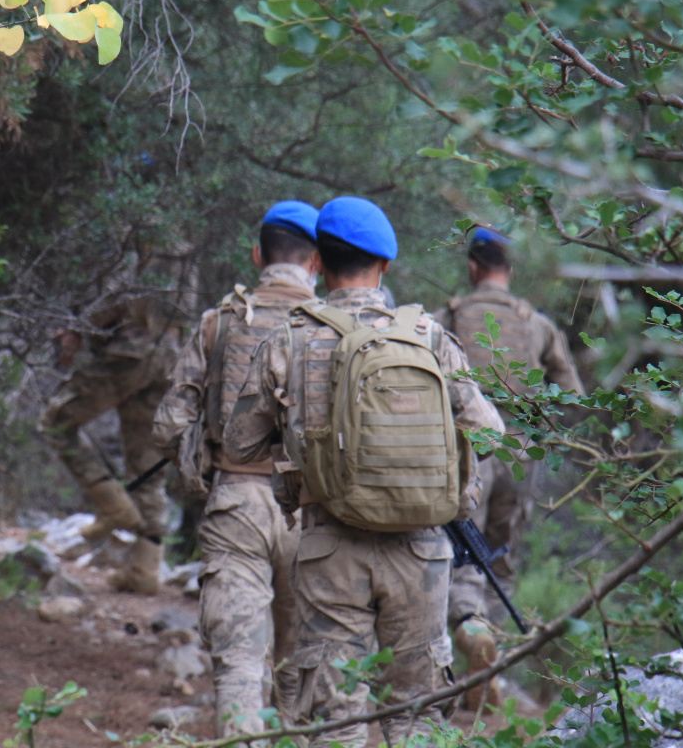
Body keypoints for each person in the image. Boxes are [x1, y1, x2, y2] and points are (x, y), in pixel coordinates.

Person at [223, 197, 504, 748]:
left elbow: (240, 441)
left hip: (331, 546)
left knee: (336, 715)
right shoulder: (431, 338)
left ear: (318, 265)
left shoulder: (291, 340)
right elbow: (490, 434)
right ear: (387, 266)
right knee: (416, 713)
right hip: (423, 550)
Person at [153, 201, 321, 738]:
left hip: (236, 506)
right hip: (315, 519)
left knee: (240, 666)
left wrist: (198, 470)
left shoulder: (217, 324)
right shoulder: (333, 329)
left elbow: (167, 425)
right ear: (317, 262)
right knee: (302, 672)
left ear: (257, 256)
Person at [434, 226, 583, 706]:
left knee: (462, 554)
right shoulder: (535, 324)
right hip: (520, 455)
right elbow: (572, 394)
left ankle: (469, 632)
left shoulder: (448, 319)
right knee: (502, 558)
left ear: (473, 267)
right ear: (509, 270)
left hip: (466, 454)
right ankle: (492, 671)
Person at [39, 236, 196, 594]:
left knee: (56, 422)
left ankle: (114, 507)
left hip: (131, 352)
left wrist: (79, 327)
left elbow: (119, 292)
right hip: (171, 358)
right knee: (147, 467)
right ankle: (144, 571)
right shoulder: (186, 244)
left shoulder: (140, 227)